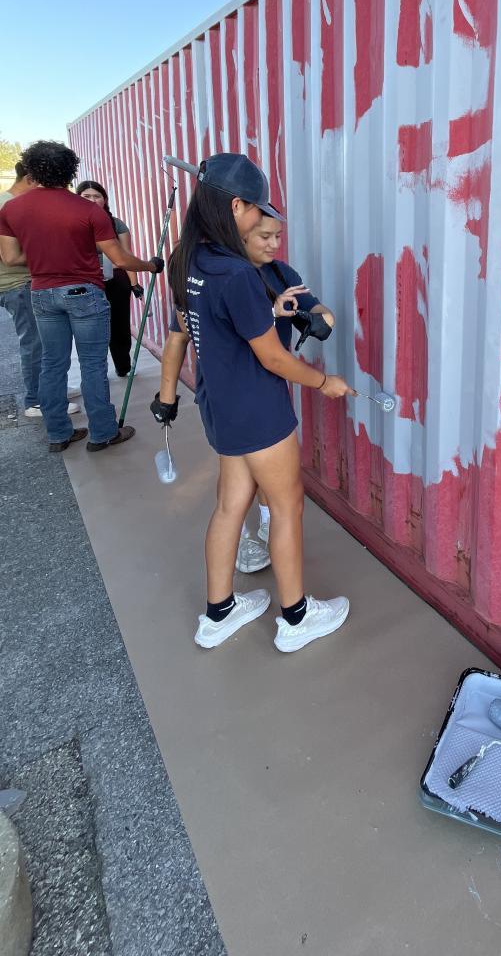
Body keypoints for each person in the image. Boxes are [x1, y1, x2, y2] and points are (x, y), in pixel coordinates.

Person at [150, 152, 355, 653]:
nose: (264, 225)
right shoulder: (237, 273)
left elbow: (213, 327)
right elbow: (274, 359)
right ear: (237, 205)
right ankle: (296, 618)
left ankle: (218, 613)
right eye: (256, 209)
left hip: (219, 406)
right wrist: (323, 382)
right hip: (259, 410)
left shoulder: (187, 259)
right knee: (286, 508)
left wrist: (274, 312)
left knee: (229, 507)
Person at [156, 208, 335, 575]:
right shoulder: (219, 280)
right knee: (243, 477)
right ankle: (242, 542)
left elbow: (318, 310)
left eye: (278, 236)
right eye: (264, 236)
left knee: (263, 472)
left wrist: (316, 318)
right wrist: (167, 397)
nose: (273, 244)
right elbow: (177, 340)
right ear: (239, 235)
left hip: (264, 391)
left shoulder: (280, 274)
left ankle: (268, 527)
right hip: (226, 394)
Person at [0, 140, 163, 454]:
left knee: (52, 364)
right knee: (92, 364)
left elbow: (10, 257)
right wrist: (151, 266)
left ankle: (58, 434)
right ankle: (102, 433)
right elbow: (120, 259)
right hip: (84, 292)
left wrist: (45, 254)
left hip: (41, 292)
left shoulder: (11, 209)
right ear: (70, 172)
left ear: (31, 170)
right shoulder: (88, 210)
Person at [0, 160, 79, 421]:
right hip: (17, 285)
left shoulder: (10, 203)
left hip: (23, 283)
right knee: (36, 344)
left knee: (47, 343)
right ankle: (37, 401)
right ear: (31, 179)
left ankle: (52, 392)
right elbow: (9, 257)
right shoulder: (7, 206)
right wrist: (51, 252)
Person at [76, 179, 145, 377]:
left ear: (104, 200)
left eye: (97, 196)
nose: (92, 200)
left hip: (116, 278)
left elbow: (127, 255)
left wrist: (134, 283)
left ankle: (123, 366)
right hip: (86, 280)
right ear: (77, 198)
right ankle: (94, 372)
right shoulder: (71, 224)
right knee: (89, 328)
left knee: (119, 325)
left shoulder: (116, 224)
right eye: (86, 196)